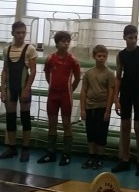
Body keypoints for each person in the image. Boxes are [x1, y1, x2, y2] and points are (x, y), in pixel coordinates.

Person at [112, 25, 139, 175]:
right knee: (125, 126)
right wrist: (116, 98)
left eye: (135, 37)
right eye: (130, 38)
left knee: (138, 127)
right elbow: (118, 77)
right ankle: (125, 159)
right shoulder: (121, 55)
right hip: (126, 93)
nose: (133, 40)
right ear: (124, 38)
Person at [37, 31, 81, 166]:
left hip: (66, 96)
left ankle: (66, 154)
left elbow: (78, 78)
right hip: (53, 95)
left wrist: (70, 89)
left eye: (68, 41)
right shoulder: (50, 58)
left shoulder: (72, 60)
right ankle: (51, 153)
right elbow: (47, 74)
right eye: (63, 41)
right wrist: (52, 86)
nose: (66, 44)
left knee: (67, 123)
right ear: (57, 43)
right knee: (52, 123)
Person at [0, 21, 37, 162]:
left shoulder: (30, 49)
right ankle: (12, 148)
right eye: (18, 32)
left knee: (25, 117)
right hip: (10, 88)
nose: (21, 35)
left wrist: (27, 89)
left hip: (23, 88)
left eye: (23, 32)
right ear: (12, 33)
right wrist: (2, 89)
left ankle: (26, 149)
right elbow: (5, 71)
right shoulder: (7, 49)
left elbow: (33, 71)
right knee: (10, 118)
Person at [80, 45, 115, 170]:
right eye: (99, 56)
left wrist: (108, 110)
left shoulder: (109, 73)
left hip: (102, 107)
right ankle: (91, 156)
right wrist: (82, 109)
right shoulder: (89, 73)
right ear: (94, 56)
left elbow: (111, 92)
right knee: (91, 132)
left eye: (104, 56)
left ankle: (100, 157)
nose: (101, 58)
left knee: (101, 133)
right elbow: (84, 91)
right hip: (90, 107)